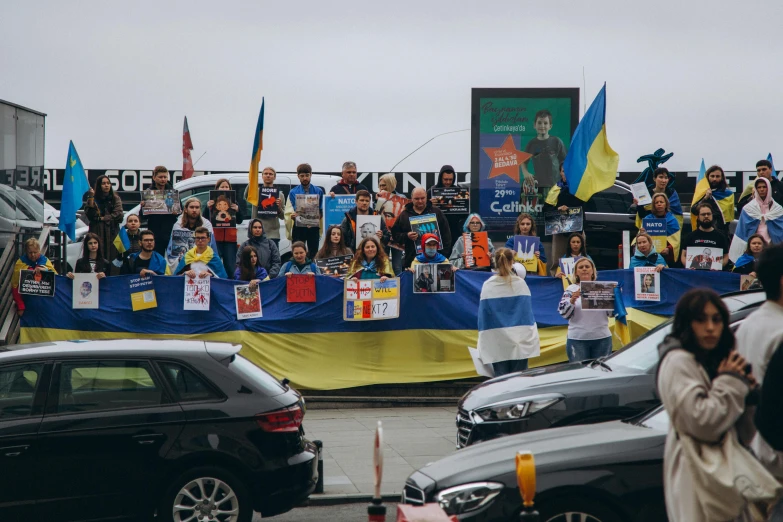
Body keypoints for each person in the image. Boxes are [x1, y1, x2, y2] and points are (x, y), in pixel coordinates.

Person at [658, 289, 779, 522]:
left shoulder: (714, 361)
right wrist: (731, 383)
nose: (710, 327)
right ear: (686, 323)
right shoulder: (679, 362)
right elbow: (702, 423)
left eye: (717, 319)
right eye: (701, 320)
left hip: (724, 478)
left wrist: (747, 395)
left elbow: (742, 435)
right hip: (696, 476)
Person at [478, 248, 540, 376]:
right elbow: (527, 315)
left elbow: (484, 317)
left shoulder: (488, 285)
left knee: (501, 385)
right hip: (520, 341)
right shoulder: (521, 283)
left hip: (496, 341)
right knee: (519, 383)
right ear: (512, 262)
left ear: (494, 262)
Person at [557, 257, 612, 362]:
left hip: (602, 338)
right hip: (577, 340)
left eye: (587, 267)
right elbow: (564, 314)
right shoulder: (570, 289)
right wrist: (572, 300)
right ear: (576, 273)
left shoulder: (603, 288)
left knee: (601, 373)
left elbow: (611, 314)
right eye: (581, 267)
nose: (584, 269)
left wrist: (614, 299)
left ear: (593, 271)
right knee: (578, 374)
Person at [391, 187, 452, 269]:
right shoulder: (404, 215)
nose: (420, 201)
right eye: (416, 199)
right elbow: (395, 235)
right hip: (412, 260)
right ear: (411, 199)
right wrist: (406, 235)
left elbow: (446, 235)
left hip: (436, 259)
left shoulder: (437, 212)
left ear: (426, 197)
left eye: (422, 198)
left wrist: (443, 255)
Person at [730, 176, 783, 265]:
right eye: (759, 187)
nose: (762, 189)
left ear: (769, 188)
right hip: (753, 249)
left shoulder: (778, 209)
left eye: (764, 187)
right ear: (755, 189)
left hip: (772, 248)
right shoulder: (748, 209)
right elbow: (742, 231)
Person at [203, 178, 244, 276]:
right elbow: (204, 219)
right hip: (215, 238)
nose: (225, 188)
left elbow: (240, 220)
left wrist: (238, 210)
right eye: (222, 186)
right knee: (215, 266)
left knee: (230, 267)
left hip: (230, 239)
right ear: (217, 188)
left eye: (227, 187)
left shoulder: (234, 203)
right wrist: (207, 208)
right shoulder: (211, 202)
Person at [166, 198, 218, 272]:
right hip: (182, 262)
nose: (194, 210)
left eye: (197, 207)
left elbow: (212, 247)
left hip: (202, 261)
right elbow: (172, 250)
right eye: (191, 207)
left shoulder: (206, 224)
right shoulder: (178, 225)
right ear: (186, 209)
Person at [520, 109, 567, 191]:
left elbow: (565, 161)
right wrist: (525, 173)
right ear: (534, 125)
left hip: (556, 186)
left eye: (545, 123)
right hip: (538, 186)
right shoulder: (532, 144)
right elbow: (523, 161)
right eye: (539, 123)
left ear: (550, 126)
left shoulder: (557, 141)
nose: (542, 126)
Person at [285, 163, 324, 257]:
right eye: (302, 176)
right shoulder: (293, 192)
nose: (305, 178)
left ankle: (312, 270)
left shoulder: (318, 191)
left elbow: (321, 210)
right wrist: (294, 216)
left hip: (313, 227)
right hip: (299, 227)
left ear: (311, 175)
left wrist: (316, 217)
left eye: (307, 175)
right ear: (298, 176)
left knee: (313, 252)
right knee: (297, 250)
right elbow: (293, 209)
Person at [12, 238, 57, 316]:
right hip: (27, 302)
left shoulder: (45, 261)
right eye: (30, 252)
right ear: (26, 252)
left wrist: (44, 270)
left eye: (35, 252)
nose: (32, 255)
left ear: (39, 251)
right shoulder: (20, 262)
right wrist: (20, 306)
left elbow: (56, 276)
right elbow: (15, 285)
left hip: (44, 303)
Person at [84, 174, 123, 263]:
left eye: (108, 183)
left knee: (113, 259)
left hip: (112, 233)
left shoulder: (115, 198)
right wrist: (91, 197)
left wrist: (102, 218)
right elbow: (91, 215)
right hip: (97, 232)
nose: (106, 185)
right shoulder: (93, 199)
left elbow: (118, 215)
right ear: (99, 185)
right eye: (103, 183)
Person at [140, 166, 179, 256]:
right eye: (160, 177)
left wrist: (176, 212)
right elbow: (143, 216)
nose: (163, 179)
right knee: (156, 258)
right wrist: (143, 207)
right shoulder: (148, 193)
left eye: (165, 177)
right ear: (154, 178)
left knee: (172, 258)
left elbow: (180, 211)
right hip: (155, 233)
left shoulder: (173, 192)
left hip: (170, 232)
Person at [680, 202, 729, 269]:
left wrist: (719, 267)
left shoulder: (721, 237)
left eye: (708, 214)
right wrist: (689, 266)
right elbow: (683, 255)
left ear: (712, 215)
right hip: (694, 275)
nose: (706, 216)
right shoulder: (690, 236)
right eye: (703, 214)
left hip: (713, 276)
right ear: (698, 217)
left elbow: (726, 256)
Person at [376, 172, 407, 275]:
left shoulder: (401, 197)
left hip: (396, 237)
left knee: (397, 266)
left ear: (390, 184)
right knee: (383, 265)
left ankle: (399, 289)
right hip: (383, 235)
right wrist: (378, 202)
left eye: (384, 185)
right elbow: (375, 216)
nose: (381, 188)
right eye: (380, 185)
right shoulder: (378, 198)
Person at [638, 192, 681, 266]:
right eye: (656, 202)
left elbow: (676, 241)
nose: (659, 204)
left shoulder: (672, 220)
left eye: (661, 202)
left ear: (666, 204)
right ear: (653, 205)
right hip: (648, 254)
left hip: (666, 256)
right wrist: (642, 233)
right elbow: (639, 239)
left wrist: (669, 249)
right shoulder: (647, 219)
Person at [690, 165, 734, 234]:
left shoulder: (728, 194)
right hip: (703, 233)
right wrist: (706, 198)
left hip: (722, 233)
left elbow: (729, 218)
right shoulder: (702, 192)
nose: (714, 179)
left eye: (717, 176)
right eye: (712, 176)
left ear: (722, 178)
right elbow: (694, 210)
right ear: (707, 177)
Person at [427, 165, 465, 244]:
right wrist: (429, 203)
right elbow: (421, 210)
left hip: (454, 230)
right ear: (440, 178)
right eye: (445, 179)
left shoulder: (459, 191)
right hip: (437, 229)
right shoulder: (431, 191)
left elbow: (464, 215)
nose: (448, 182)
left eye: (450, 180)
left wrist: (464, 204)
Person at [256, 166, 285, 247]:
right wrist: (252, 180)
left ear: (274, 177)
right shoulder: (255, 193)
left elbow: (283, 216)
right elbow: (246, 196)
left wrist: (278, 207)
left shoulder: (280, 195)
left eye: (270, 174)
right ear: (262, 176)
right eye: (265, 174)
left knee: (273, 259)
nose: (268, 175)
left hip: (273, 234)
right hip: (258, 232)